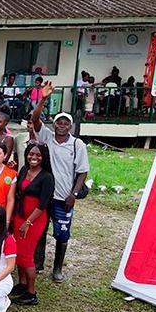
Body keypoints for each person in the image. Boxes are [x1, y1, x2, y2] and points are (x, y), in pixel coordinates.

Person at [31, 82, 89, 282]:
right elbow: (35, 119)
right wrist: (44, 99)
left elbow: (82, 172)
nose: (62, 125)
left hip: (63, 197)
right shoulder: (47, 137)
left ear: (70, 126)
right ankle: (38, 263)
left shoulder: (77, 144)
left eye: (66, 123)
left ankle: (57, 268)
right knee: (39, 229)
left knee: (62, 233)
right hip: (44, 195)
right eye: (59, 122)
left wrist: (73, 194)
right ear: (54, 124)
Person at [10, 142, 54, 306]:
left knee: (27, 256)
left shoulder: (47, 177)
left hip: (34, 220)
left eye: (38, 155)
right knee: (18, 253)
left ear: (43, 157)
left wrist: (28, 222)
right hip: (20, 216)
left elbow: (42, 204)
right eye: (31, 154)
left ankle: (31, 292)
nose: (33, 157)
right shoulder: (23, 170)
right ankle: (22, 284)